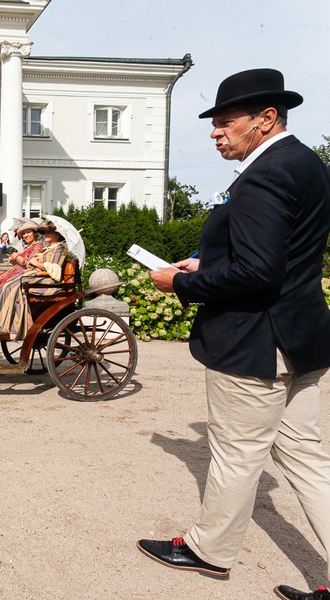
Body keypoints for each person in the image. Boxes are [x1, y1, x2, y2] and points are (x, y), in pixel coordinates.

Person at [138, 69, 330, 600]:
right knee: (308, 459)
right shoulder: (306, 164)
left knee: (236, 454)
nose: (215, 133)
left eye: (226, 123)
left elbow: (259, 273)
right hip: (301, 336)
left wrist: (180, 280)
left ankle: (209, 551)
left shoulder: (264, 173)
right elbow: (283, 255)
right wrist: (210, 258)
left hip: (255, 343)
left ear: (266, 119)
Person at [0, 221, 67, 338]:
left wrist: (33, 261)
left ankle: (12, 324)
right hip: (36, 274)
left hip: (47, 279)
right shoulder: (48, 249)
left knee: (11, 287)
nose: (46, 235)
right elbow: (33, 263)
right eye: (45, 233)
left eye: (49, 233)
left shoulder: (58, 248)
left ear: (57, 235)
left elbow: (54, 268)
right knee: (2, 286)